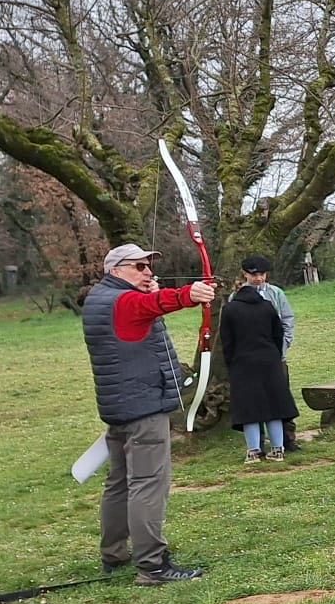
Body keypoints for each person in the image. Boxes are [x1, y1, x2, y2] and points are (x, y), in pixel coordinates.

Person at [84, 243, 216, 584]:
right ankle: (152, 565)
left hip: (120, 405)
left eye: (148, 267)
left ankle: (114, 554)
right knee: (147, 484)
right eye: (139, 267)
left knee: (119, 483)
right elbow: (150, 305)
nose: (147, 273)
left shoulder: (101, 299)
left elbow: (144, 314)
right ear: (116, 270)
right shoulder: (123, 302)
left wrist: (155, 293)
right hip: (143, 407)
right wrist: (191, 294)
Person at [218, 262, 299, 463]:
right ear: (245, 275)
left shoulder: (231, 308)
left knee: (249, 408)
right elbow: (278, 330)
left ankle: (253, 450)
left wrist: (232, 361)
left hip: (243, 362)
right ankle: (277, 449)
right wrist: (275, 352)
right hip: (270, 359)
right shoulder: (267, 306)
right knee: (275, 405)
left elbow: (226, 339)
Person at [241, 253, 299, 450]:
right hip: (250, 358)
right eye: (254, 274)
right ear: (245, 274)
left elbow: (287, 319)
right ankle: (259, 444)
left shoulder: (276, 293)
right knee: (255, 399)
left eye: (262, 274)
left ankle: (288, 440)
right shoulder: (237, 297)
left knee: (280, 397)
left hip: (275, 354)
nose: (259, 278)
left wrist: (284, 345)